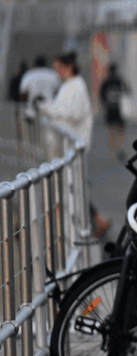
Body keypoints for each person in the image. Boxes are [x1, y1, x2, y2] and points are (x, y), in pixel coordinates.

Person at [40, 51, 111, 238]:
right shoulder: (71, 86)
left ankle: (79, 230)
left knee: (72, 189)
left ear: (68, 67)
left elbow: (71, 113)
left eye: (59, 68)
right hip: (69, 147)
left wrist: (46, 108)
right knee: (74, 188)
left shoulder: (76, 87)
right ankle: (92, 223)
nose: (57, 72)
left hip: (73, 147)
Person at [99, 63, 130, 162]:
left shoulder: (105, 83)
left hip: (110, 110)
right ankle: (119, 147)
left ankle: (113, 152)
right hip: (120, 110)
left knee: (111, 131)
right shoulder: (120, 81)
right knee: (121, 130)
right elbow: (128, 91)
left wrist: (104, 107)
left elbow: (101, 97)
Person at [20, 54, 62, 124]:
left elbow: (22, 93)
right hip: (49, 112)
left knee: (31, 134)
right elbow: (59, 92)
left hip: (31, 113)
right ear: (46, 64)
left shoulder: (28, 75)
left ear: (35, 64)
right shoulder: (53, 75)